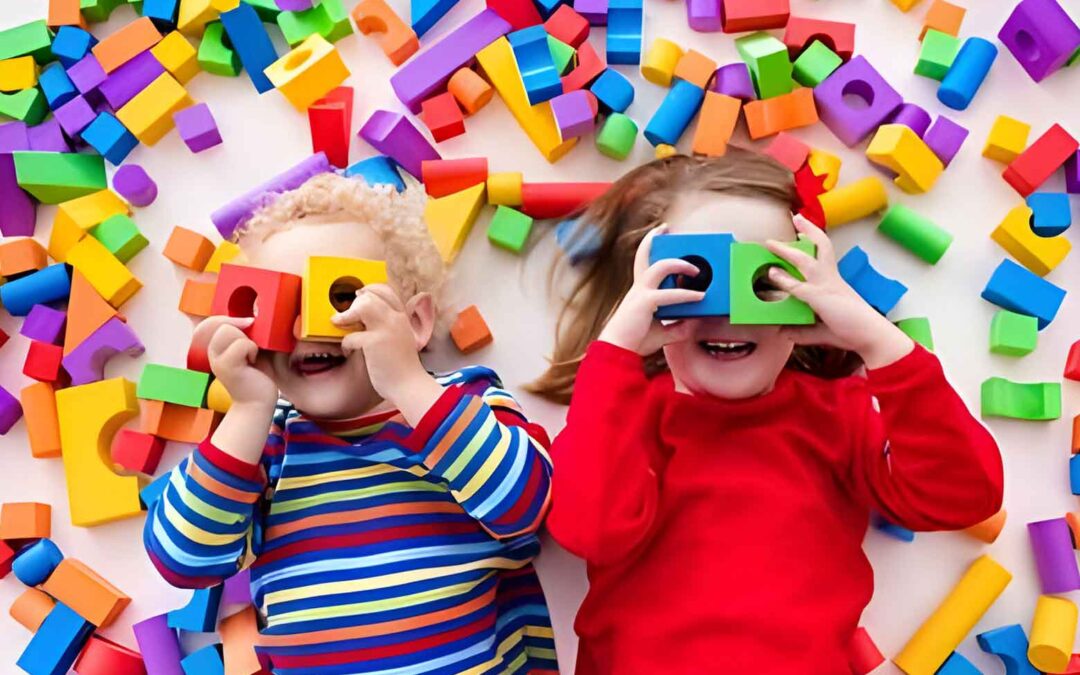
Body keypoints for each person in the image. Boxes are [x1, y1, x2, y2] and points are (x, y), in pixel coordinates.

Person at [531, 151, 1003, 674]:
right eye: (698, 281)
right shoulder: (622, 416)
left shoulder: (838, 414)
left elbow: (965, 496)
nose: (730, 312)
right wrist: (616, 351)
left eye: (764, 284)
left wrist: (876, 340)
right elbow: (588, 531)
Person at [144, 172, 558, 674]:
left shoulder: (462, 404)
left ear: (417, 323)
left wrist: (407, 382)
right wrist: (247, 410)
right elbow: (183, 560)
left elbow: (526, 505)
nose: (306, 329)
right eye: (280, 306)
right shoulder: (265, 445)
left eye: (340, 298)